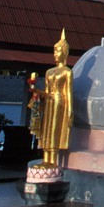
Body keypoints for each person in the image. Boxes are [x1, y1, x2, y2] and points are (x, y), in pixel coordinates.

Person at [38, 30, 73, 168]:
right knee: (46, 128)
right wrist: (36, 91)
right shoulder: (49, 71)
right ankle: (45, 158)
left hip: (60, 101)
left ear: (65, 53)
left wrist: (70, 111)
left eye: (58, 51)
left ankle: (52, 160)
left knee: (54, 128)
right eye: (54, 51)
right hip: (49, 101)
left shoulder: (67, 72)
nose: (55, 54)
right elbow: (46, 91)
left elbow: (68, 93)